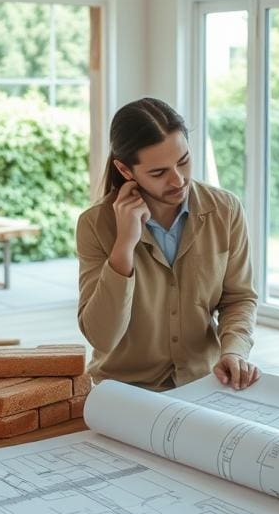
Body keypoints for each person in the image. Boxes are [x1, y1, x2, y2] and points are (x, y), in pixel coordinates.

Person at [76, 97, 260, 392]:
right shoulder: (94, 225)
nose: (178, 180)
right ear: (125, 170)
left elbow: (238, 298)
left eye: (183, 161)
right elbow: (102, 337)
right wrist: (124, 244)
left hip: (205, 383)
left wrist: (234, 351)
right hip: (126, 390)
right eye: (159, 172)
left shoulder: (226, 210)